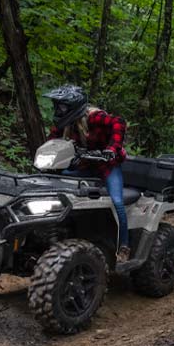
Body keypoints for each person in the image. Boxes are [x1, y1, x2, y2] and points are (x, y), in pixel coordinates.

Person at [43, 84, 130, 263]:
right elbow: (52, 139)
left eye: (61, 107)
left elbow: (119, 122)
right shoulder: (66, 123)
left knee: (117, 202)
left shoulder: (94, 117)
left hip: (107, 166)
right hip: (85, 165)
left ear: (73, 106)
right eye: (57, 106)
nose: (58, 110)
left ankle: (124, 246)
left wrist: (112, 148)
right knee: (55, 183)